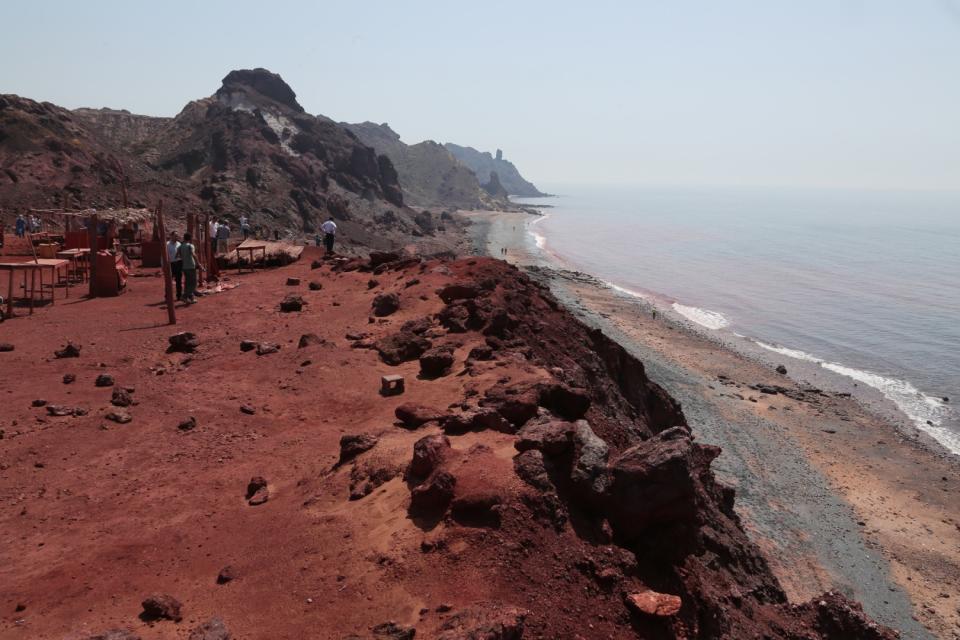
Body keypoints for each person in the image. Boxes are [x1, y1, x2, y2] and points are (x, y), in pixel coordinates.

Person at [177, 232, 199, 304]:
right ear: (190, 238)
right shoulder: (190, 246)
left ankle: (190, 298)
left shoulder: (180, 246)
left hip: (184, 266)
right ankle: (184, 296)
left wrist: (184, 258)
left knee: (187, 283)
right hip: (191, 266)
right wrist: (198, 263)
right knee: (193, 283)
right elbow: (193, 254)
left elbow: (177, 256)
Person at [166, 231, 183, 300]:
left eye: (177, 236)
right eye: (175, 235)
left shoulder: (179, 244)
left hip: (179, 263)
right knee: (169, 280)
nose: (176, 237)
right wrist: (163, 265)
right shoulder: (167, 244)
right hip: (171, 264)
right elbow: (164, 256)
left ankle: (179, 295)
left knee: (179, 280)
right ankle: (168, 296)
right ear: (171, 236)